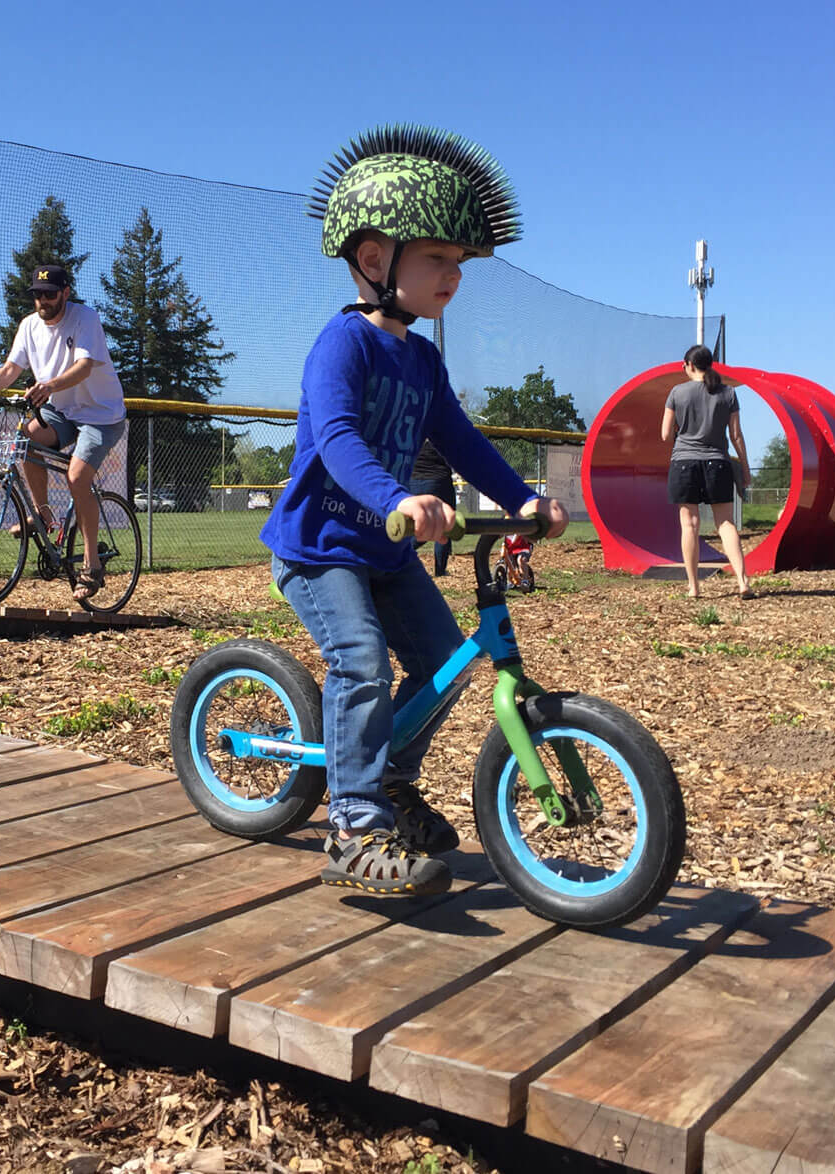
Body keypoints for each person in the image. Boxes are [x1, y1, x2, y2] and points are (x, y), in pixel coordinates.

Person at [262, 124, 568, 897]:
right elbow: (333, 438)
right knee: (359, 662)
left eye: (458, 263)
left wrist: (523, 498)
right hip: (321, 547)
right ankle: (354, 828)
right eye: (437, 258)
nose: (453, 276)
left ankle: (390, 777)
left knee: (445, 666)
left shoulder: (424, 359)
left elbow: (461, 442)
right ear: (374, 260)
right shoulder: (345, 345)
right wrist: (400, 497)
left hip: (385, 552)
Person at [0, 264, 128, 603]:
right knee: (25, 441)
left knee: (77, 476)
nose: (43, 301)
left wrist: (48, 385)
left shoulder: (86, 319)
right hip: (62, 410)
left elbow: (83, 367)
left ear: (66, 292)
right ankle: (42, 514)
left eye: (50, 294)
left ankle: (92, 565)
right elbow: (10, 370)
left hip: (102, 414)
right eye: (37, 295)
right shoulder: (28, 326)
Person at [662, 345, 753, 600]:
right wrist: (744, 468)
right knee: (725, 524)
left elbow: (665, 434)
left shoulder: (677, 392)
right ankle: (743, 581)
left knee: (689, 525)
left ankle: (694, 587)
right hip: (718, 463)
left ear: (688, 365)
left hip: (684, 463)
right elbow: (736, 435)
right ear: (710, 365)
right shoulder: (729, 393)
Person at [407, 439, 458, 576]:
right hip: (438, 480)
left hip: (414, 481)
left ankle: (400, 552)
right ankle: (440, 570)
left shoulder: (414, 435)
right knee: (445, 524)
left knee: (418, 523)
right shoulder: (440, 435)